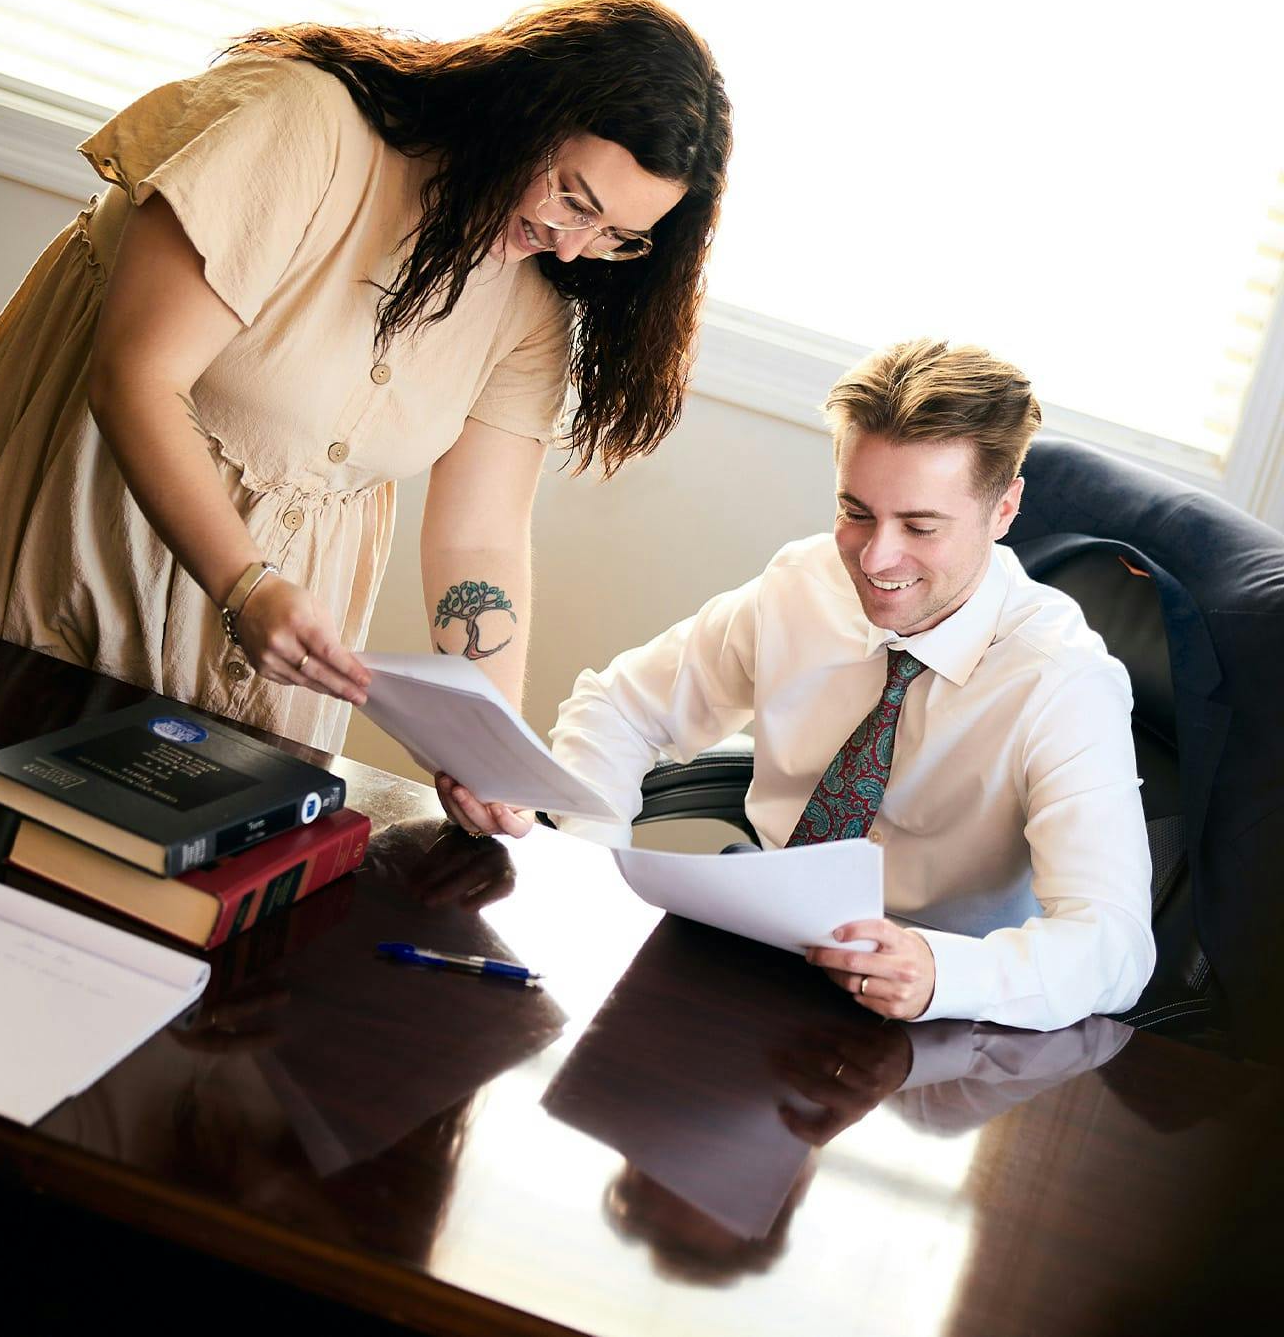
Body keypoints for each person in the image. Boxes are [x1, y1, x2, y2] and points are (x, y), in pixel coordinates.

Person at [0, 0, 731, 758]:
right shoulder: (301, 124)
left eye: (619, 234)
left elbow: (480, 541)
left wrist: (482, 743)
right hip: (82, 541)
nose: (574, 245)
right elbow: (135, 376)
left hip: (270, 655)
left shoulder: (534, 304)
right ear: (522, 111)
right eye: (572, 197)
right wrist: (246, 583)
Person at [441, 339, 1156, 1031]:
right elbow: (619, 706)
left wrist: (940, 974)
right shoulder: (804, 585)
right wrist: (589, 862)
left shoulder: (1063, 684)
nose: (877, 557)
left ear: (1003, 511)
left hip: (939, 1020)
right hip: (759, 957)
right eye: (856, 512)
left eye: (920, 526)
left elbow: (1115, 949)